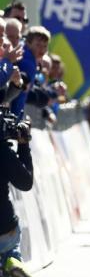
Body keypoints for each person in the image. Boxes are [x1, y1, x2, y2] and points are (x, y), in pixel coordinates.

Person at [0, 118, 33, 277]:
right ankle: (12, 259)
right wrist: (24, 145)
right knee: (9, 244)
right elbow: (25, 183)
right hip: (4, 226)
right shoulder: (3, 152)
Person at [11, 26, 50, 118]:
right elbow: (22, 92)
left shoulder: (27, 56)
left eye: (45, 46)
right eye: (38, 45)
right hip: (13, 110)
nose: (42, 49)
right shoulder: (28, 62)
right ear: (28, 43)